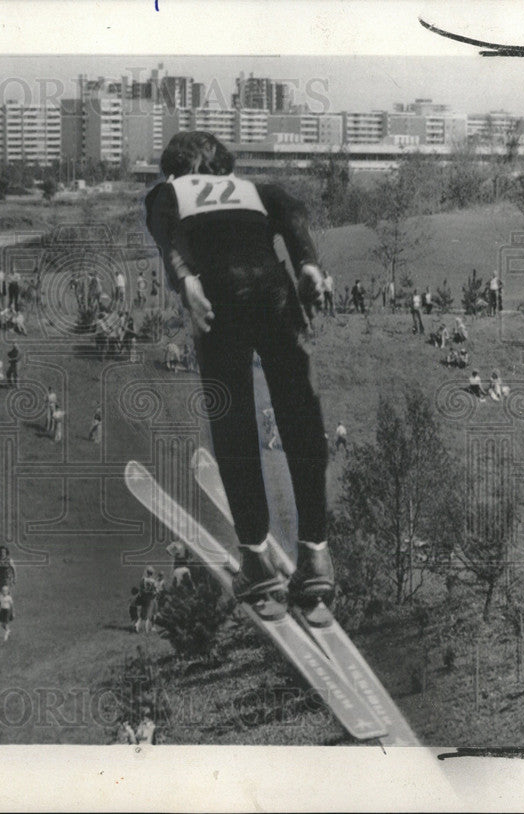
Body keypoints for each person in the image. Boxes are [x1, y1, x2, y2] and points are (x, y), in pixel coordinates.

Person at [145, 131, 333, 619]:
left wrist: (186, 280)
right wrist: (309, 265)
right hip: (276, 293)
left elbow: (166, 233)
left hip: (218, 301)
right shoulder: (255, 189)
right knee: (300, 413)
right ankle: (316, 552)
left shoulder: (170, 191)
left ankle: (256, 559)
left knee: (235, 426)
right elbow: (293, 215)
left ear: (177, 171)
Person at [135, 566, 158, 633]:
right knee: (150, 613)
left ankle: (137, 625)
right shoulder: (153, 581)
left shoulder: (143, 580)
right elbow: (156, 590)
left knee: (143, 613)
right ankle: (147, 629)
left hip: (144, 597)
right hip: (151, 598)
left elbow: (141, 589)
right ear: (152, 573)